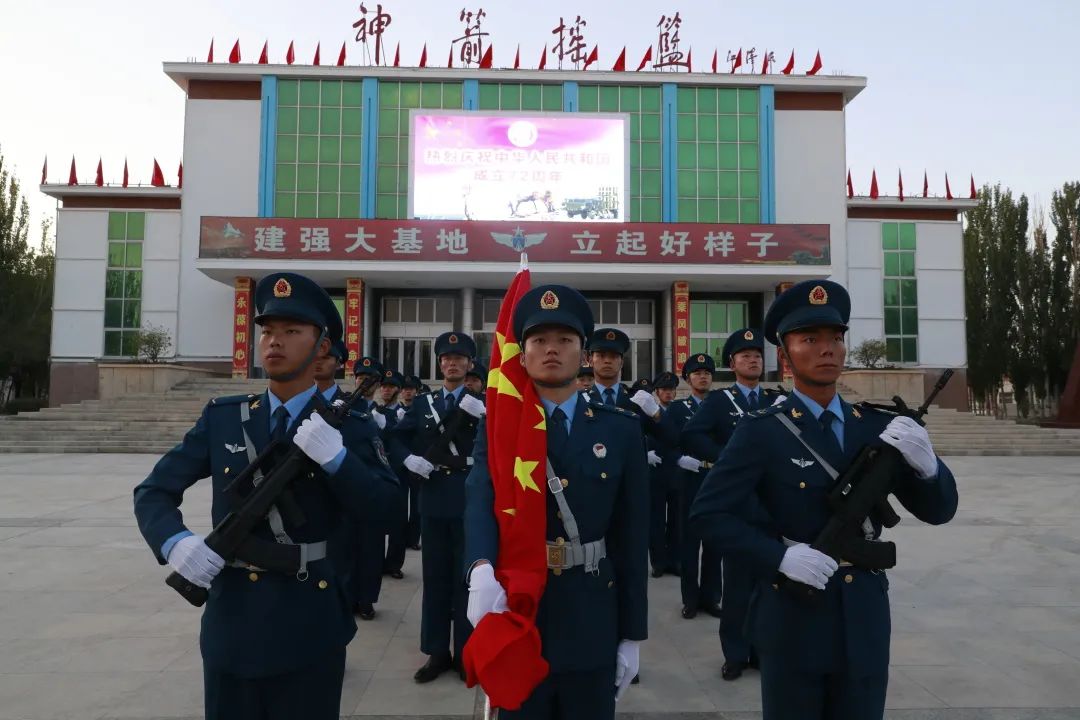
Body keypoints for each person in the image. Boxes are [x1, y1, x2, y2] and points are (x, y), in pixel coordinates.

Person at [132, 272, 398, 720]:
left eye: (292, 331)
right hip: (231, 623)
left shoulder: (348, 427)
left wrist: (338, 461)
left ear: (322, 348)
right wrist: (176, 542)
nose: (274, 342)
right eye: (267, 331)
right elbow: (154, 491)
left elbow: (388, 510)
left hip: (308, 623)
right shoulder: (223, 419)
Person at [690, 280, 958, 720]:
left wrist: (929, 466)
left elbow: (939, 511)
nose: (827, 348)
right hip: (794, 614)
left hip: (865, 617)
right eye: (810, 339)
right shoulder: (761, 430)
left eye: (835, 338)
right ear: (785, 353)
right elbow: (709, 514)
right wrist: (778, 556)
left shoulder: (874, 427)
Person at [464, 284, 649, 719]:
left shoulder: (619, 430)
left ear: (584, 355)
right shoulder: (500, 428)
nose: (551, 350)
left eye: (564, 341)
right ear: (522, 354)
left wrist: (632, 632)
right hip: (521, 607)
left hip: (592, 611)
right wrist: (479, 567)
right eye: (539, 341)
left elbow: (633, 533)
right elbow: (479, 497)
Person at [681, 329, 783, 678]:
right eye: (744, 356)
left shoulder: (776, 400)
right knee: (738, 585)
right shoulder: (720, 402)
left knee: (768, 586)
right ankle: (735, 654)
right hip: (738, 505)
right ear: (732, 364)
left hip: (772, 506)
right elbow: (692, 433)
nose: (753, 360)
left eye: (757, 355)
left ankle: (762, 650)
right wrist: (728, 459)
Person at [388, 332, 485, 683]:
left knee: (467, 580)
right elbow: (394, 438)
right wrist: (408, 459)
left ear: (470, 364)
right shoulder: (421, 404)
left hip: (470, 498)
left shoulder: (485, 402)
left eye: (460, 358)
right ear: (440, 363)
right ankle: (436, 652)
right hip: (432, 499)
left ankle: (465, 652)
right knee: (436, 579)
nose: (453, 363)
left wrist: (485, 414)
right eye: (447, 358)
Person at [646, 371, 681, 578]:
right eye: (664, 390)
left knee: (677, 521)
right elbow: (639, 433)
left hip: (677, 471)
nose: (668, 393)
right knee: (656, 520)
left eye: (671, 390)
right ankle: (658, 562)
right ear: (657, 392)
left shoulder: (680, 411)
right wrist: (645, 451)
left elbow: (684, 437)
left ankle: (675, 561)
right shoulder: (648, 410)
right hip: (655, 471)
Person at [379, 369, 410, 580]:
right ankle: (377, 562)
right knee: (377, 521)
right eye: (384, 386)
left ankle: (394, 563)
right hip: (378, 472)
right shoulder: (372, 411)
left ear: (398, 390)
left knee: (399, 521)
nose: (386, 390)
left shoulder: (404, 413)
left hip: (398, 471)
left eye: (390, 386)